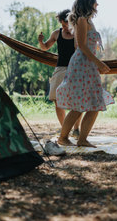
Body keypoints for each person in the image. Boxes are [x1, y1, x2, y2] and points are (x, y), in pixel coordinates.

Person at [56, 0, 114, 148]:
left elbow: (78, 44)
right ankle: (62, 138)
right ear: (89, 3)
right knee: (79, 105)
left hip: (87, 64)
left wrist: (95, 63)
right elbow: (81, 45)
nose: (97, 4)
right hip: (82, 65)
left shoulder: (88, 21)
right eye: (95, 1)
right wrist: (98, 63)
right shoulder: (81, 20)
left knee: (94, 103)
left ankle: (82, 139)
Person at [38, 9, 81, 137]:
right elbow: (45, 47)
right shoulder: (57, 33)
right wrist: (41, 42)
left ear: (71, 22)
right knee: (57, 100)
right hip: (60, 69)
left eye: (66, 24)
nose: (64, 27)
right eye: (62, 25)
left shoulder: (78, 32)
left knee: (78, 101)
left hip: (76, 70)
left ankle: (76, 129)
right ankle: (65, 129)